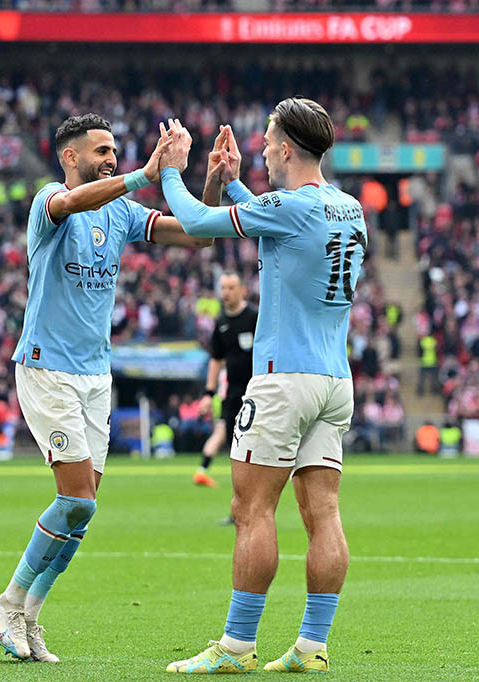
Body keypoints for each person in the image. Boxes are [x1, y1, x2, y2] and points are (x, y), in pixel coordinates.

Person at [0, 113, 213, 663]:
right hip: (47, 368)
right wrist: (144, 173)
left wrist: (212, 183)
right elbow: (73, 204)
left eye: (115, 151)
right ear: (71, 157)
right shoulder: (49, 201)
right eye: (102, 151)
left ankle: (31, 614)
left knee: (83, 509)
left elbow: (195, 239)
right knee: (76, 497)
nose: (111, 158)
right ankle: (9, 601)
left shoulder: (121, 212)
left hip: (96, 374)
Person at [157, 99, 365, 674]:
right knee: (323, 513)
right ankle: (311, 646)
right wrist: (232, 186)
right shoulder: (348, 208)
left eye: (269, 143)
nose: (265, 152)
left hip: (283, 382)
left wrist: (175, 170)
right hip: (333, 380)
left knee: (252, 509)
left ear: (289, 149)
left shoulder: (293, 206)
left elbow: (198, 227)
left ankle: (237, 646)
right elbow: (282, 228)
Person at [195, 272, 257, 500]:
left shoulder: (254, 318)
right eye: (223, 288)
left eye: (231, 287)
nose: (226, 293)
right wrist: (208, 394)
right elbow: (216, 360)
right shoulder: (220, 324)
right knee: (235, 447)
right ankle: (240, 503)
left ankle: (258, 501)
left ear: (243, 290)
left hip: (258, 391)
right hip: (233, 394)